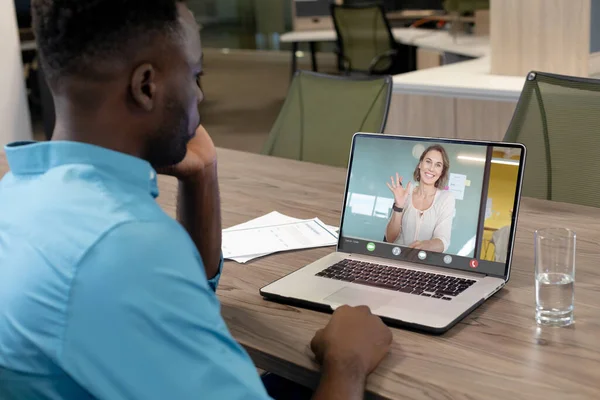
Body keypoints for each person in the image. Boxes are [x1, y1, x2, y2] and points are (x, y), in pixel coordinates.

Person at [0, 1, 392, 400]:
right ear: (146, 86)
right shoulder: (126, 245)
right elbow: (147, 281)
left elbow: (184, 304)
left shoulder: (17, 195)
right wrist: (348, 361)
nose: (200, 95)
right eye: (195, 74)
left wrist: (201, 175)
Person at [384, 145, 456, 253]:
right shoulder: (405, 193)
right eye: (428, 161)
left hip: (424, 263)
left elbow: (443, 241)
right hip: (397, 259)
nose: (431, 168)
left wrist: (425, 245)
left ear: (442, 172)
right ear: (420, 164)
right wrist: (398, 206)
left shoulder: (446, 198)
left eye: (438, 165)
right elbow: (390, 239)